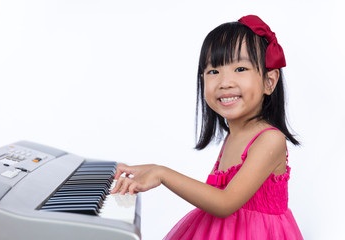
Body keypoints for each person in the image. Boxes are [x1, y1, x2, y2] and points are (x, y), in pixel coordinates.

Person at [111, 15, 303, 239]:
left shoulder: (269, 140)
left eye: (240, 69)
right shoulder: (232, 136)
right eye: (213, 71)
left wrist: (162, 174)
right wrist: (152, 168)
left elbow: (225, 203)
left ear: (269, 81)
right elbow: (211, 196)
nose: (225, 82)